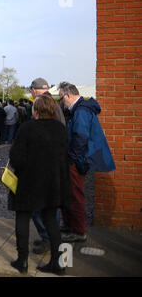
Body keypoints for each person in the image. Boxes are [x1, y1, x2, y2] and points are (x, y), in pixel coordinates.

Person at [8, 95, 70, 275]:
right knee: (51, 220)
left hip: (29, 181)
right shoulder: (60, 129)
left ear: (36, 110)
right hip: (52, 182)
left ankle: (22, 261)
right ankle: (58, 264)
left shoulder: (27, 128)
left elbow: (16, 158)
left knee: (22, 218)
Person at [58, 82, 115, 243]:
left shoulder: (81, 111)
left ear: (68, 95)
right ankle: (70, 225)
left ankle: (78, 231)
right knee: (70, 194)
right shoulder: (81, 109)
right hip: (78, 159)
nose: (62, 102)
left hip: (77, 161)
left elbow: (80, 138)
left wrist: (71, 159)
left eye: (61, 98)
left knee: (75, 195)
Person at [28, 77, 66, 254]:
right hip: (56, 164)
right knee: (52, 205)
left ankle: (47, 239)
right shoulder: (55, 104)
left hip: (43, 165)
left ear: (34, 90)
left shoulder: (42, 105)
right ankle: (51, 237)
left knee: (38, 206)